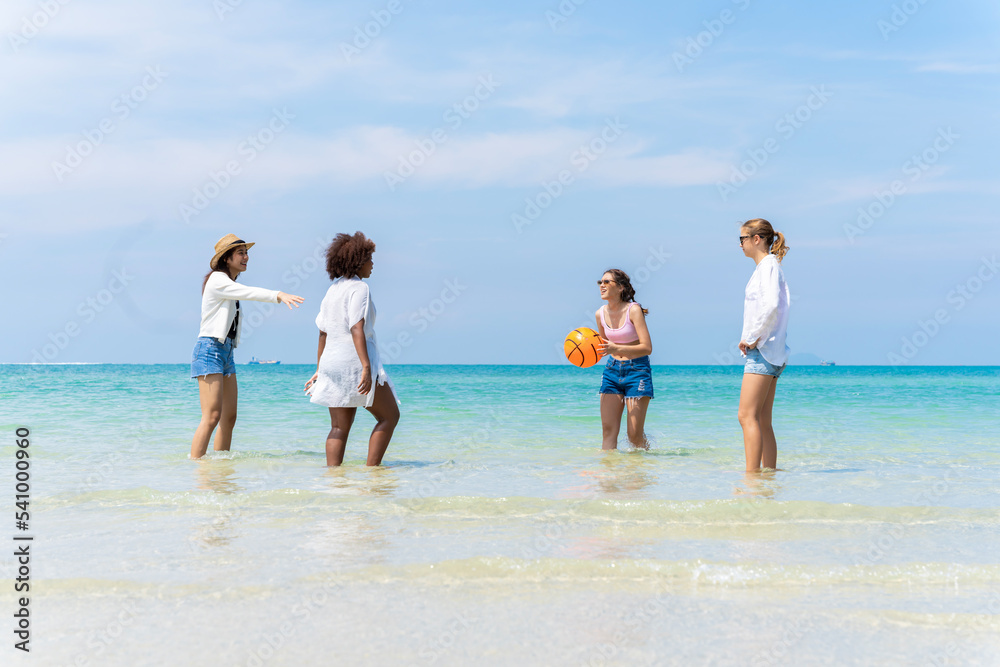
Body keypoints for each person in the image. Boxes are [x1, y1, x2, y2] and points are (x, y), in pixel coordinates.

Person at [190, 234, 304, 459]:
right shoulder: (217, 280)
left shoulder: (229, 285)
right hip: (209, 350)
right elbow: (250, 292)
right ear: (226, 259)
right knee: (212, 416)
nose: (246, 257)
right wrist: (278, 295)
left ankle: (221, 468)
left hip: (226, 352)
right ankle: (197, 468)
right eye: (241, 253)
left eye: (246, 252)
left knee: (229, 417)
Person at [305, 232, 400, 466]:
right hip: (354, 362)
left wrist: (320, 369)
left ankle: (334, 480)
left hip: (331, 362)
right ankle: (372, 474)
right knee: (389, 416)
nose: (372, 264)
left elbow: (322, 332)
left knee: (338, 427)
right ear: (358, 261)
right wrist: (366, 367)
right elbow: (356, 327)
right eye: (369, 258)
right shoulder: (360, 288)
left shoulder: (332, 290)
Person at [737, 218, 791, 472]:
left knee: (746, 416)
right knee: (763, 420)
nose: (740, 245)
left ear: (756, 239)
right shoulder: (768, 267)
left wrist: (751, 338)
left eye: (742, 239)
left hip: (763, 351)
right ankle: (768, 476)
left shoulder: (768, 266)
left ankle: (752, 477)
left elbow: (770, 306)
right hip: (773, 352)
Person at [594, 269, 653, 450]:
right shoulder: (599, 314)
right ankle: (608, 475)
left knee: (634, 434)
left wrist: (616, 348)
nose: (602, 285)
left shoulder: (633, 310)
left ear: (620, 287)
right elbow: (604, 348)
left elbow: (647, 347)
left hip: (637, 371)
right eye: (600, 282)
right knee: (608, 430)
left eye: (607, 282)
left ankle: (642, 468)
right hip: (611, 370)